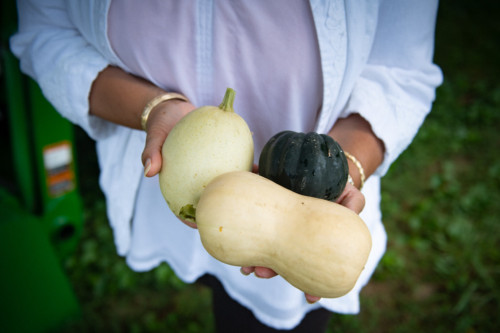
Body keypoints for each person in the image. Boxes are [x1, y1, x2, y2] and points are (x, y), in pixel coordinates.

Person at [10, 0, 442, 331]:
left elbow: (399, 71)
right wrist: (154, 109)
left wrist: (345, 166)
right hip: (168, 184)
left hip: (303, 213)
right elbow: (44, 32)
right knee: (211, 281)